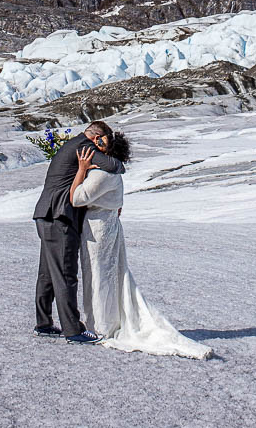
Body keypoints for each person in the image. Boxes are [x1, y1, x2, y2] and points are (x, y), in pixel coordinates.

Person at [70, 131, 212, 360]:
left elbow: (77, 198)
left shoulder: (103, 174)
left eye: (101, 143)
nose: (96, 145)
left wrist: (81, 169)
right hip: (108, 225)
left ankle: (101, 326)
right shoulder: (113, 172)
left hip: (98, 228)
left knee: (98, 274)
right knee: (107, 273)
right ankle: (104, 321)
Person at [32, 121, 124, 345]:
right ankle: (73, 330)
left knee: (47, 272)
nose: (105, 145)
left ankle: (43, 323)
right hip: (60, 215)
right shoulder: (85, 147)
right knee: (66, 272)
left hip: (46, 213)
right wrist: (92, 165)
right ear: (97, 137)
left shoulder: (75, 144)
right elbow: (115, 166)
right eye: (105, 139)